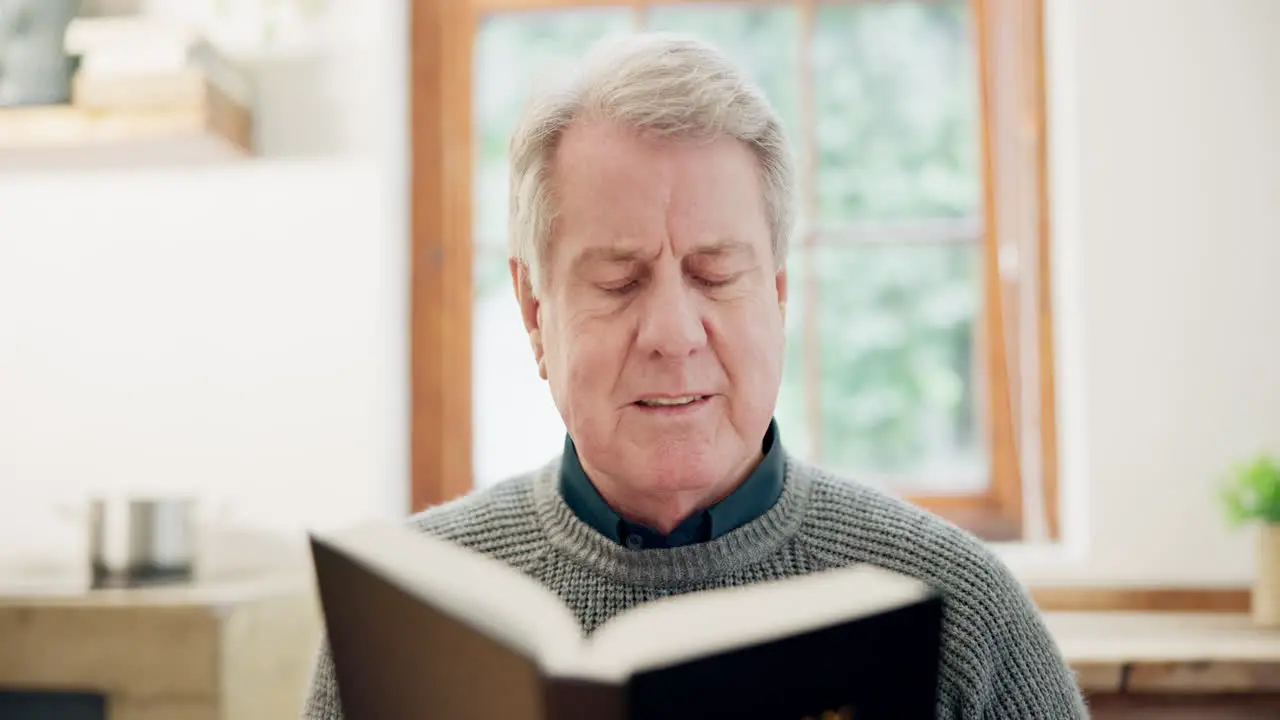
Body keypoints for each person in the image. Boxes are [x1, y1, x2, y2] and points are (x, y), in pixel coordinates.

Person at [302, 32, 1088, 719]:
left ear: (777, 296)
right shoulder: (395, 629)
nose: (674, 336)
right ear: (534, 309)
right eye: (618, 282)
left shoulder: (962, 608)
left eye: (715, 274)